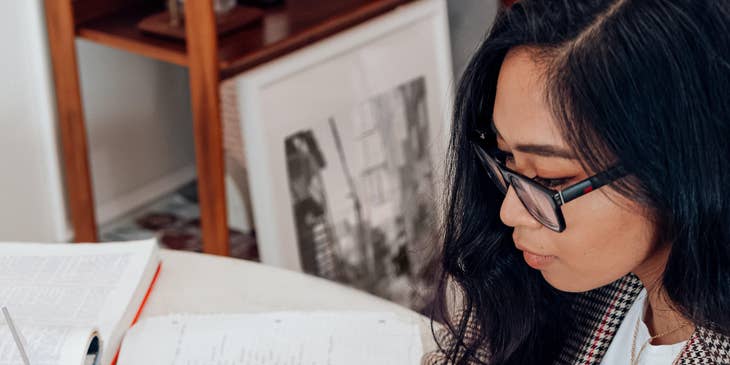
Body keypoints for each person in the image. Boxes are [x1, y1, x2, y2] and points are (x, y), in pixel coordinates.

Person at [423, 1, 729, 364]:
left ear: (678, 161)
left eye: (551, 178)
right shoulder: (569, 287)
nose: (509, 211)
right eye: (506, 157)